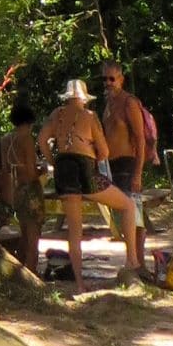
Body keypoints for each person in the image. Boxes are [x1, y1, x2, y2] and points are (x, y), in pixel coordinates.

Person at [41, 78, 138, 285]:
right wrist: (92, 150)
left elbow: (42, 140)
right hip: (84, 166)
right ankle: (132, 260)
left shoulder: (56, 115)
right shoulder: (90, 116)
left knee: (74, 230)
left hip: (63, 168)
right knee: (127, 205)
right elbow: (104, 152)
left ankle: (79, 284)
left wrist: (53, 161)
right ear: (84, 98)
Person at [98, 59, 150, 273]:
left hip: (128, 164)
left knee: (134, 213)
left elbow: (140, 139)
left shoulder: (129, 102)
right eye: (105, 79)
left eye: (112, 78)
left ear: (121, 79)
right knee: (123, 216)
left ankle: (138, 263)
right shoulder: (108, 104)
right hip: (111, 166)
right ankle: (133, 260)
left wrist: (137, 173)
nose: (108, 83)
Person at [0, 99, 44, 272]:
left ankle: (20, 272)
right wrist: (43, 171)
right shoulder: (27, 139)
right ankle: (32, 273)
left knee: (23, 234)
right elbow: (32, 172)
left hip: (17, 191)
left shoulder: (5, 140)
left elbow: (6, 168)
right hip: (31, 189)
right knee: (33, 237)